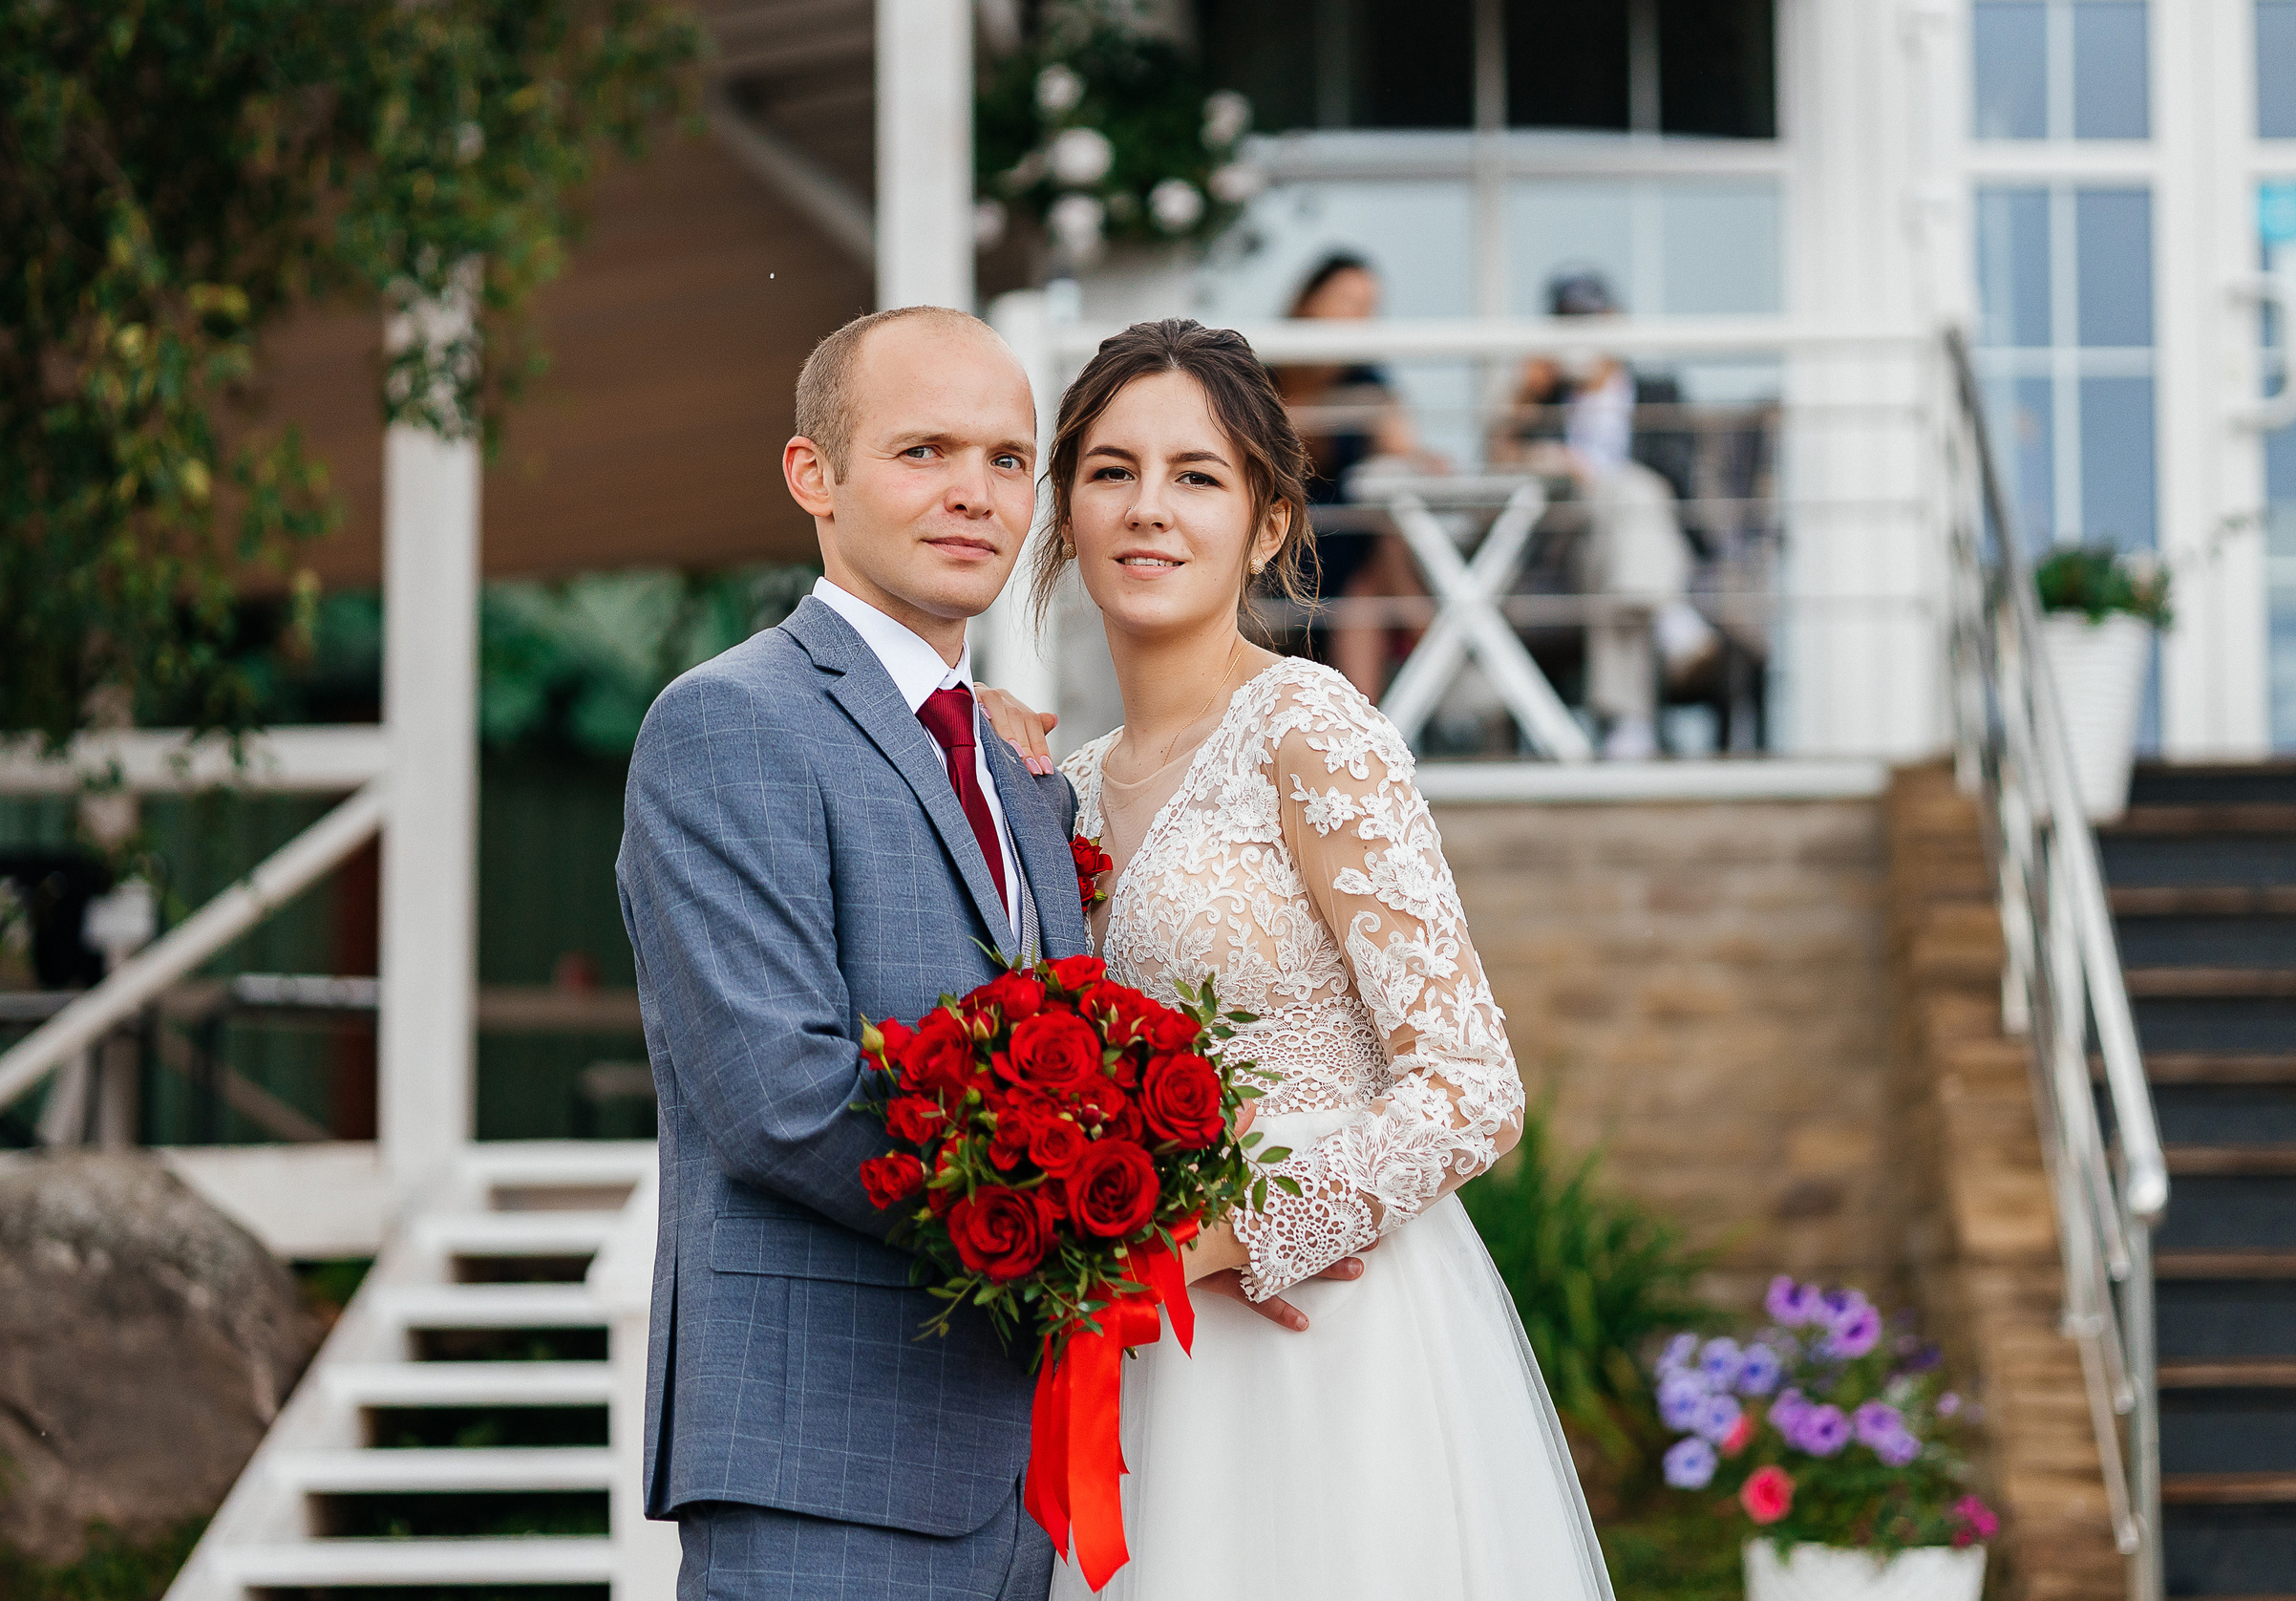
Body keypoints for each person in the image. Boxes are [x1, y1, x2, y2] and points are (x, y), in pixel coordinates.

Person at [614, 306, 1352, 1601]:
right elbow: (778, 1096)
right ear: (813, 476)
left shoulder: (1020, 775)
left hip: (1033, 1466)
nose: (974, 493)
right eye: (923, 451)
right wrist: (1125, 1227)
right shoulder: (728, 722)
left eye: (1009, 459)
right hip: (823, 1456)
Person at [986, 319, 1609, 1600]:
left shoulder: (1310, 728)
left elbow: (1472, 1091)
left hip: (1333, 1338)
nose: (1147, 509)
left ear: (1268, 521)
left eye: (1196, 476)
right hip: (1151, 1362)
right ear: (1065, 509)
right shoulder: (1063, 785)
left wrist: (1215, 1235)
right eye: (1110, 471)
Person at [1492, 266, 1725, 758]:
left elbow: (1675, 475)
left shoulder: (1658, 392)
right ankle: (1671, 619)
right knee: (1619, 534)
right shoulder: (1546, 402)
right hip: (1571, 548)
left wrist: (1597, 475)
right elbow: (1498, 465)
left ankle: (1628, 724)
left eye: (1592, 322)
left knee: (1628, 512)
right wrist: (1525, 398)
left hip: (1651, 539)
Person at [1267, 253, 1435, 701]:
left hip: (1350, 545)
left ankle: (1366, 726)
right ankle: (1440, 642)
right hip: (1282, 542)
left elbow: (1403, 448)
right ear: (1307, 303)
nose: (1357, 318)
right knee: (1374, 552)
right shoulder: (1261, 377)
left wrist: (1420, 457)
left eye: (1368, 308)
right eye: (1347, 302)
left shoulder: (1367, 381)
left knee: (1370, 563)